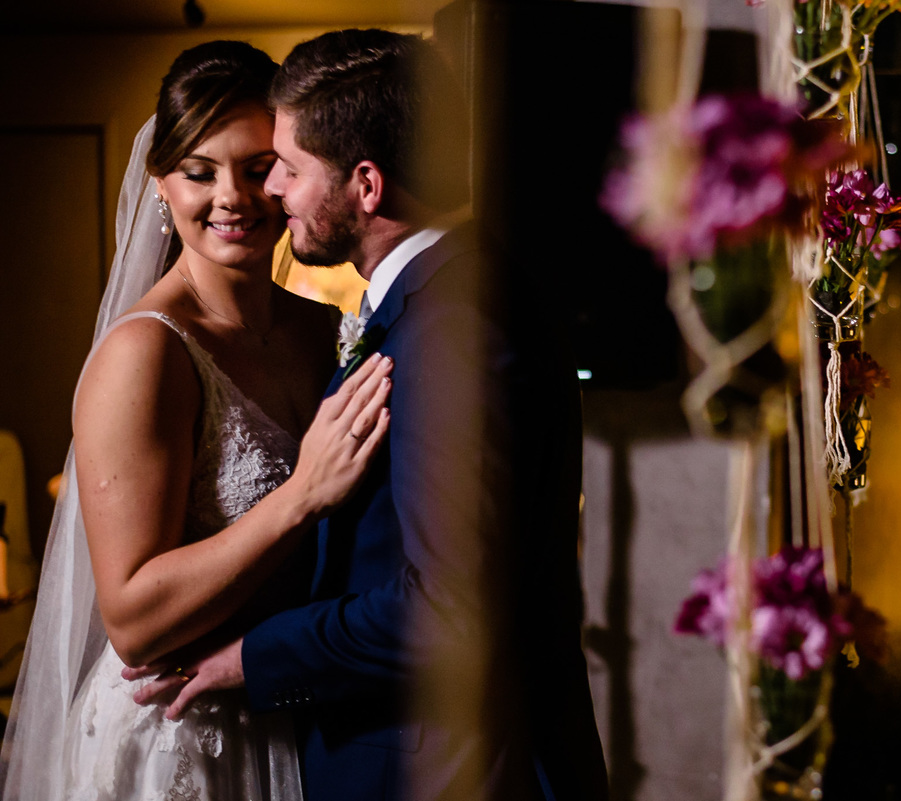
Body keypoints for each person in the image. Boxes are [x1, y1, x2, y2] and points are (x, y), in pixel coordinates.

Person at [136, 29, 610, 801]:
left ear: (365, 183)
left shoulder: (455, 329)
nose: (273, 191)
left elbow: (448, 611)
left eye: (286, 167)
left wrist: (250, 657)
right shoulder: (434, 299)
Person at [0, 40, 392, 801]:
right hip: (182, 741)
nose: (233, 199)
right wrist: (300, 493)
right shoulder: (146, 352)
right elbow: (134, 621)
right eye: (199, 172)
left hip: (302, 712)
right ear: (159, 185)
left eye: (257, 168)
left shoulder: (328, 330)